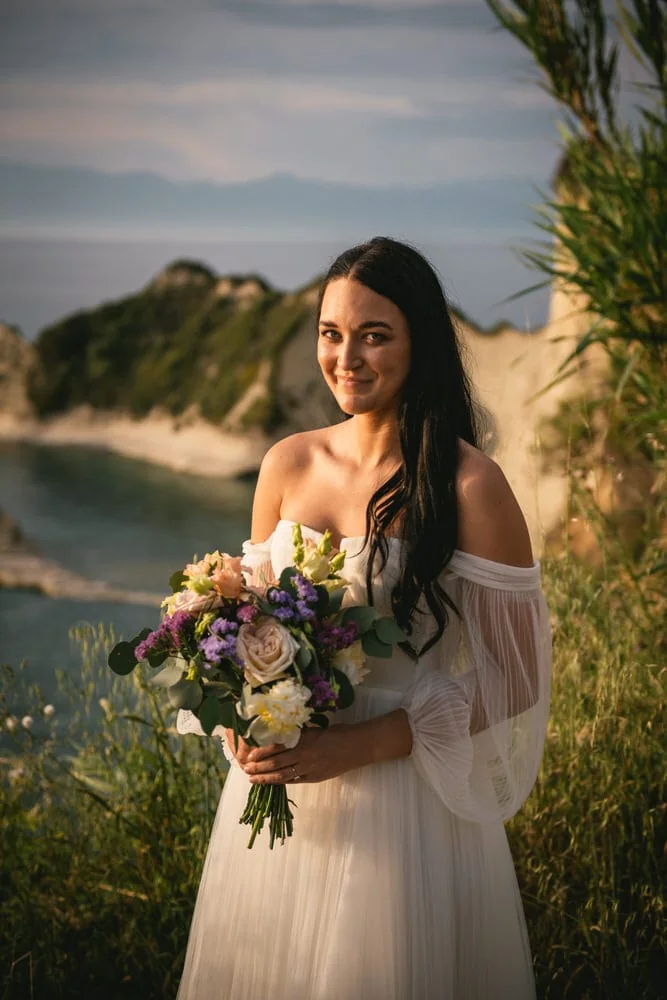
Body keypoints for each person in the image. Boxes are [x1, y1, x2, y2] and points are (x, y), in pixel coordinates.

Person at [175, 236, 552, 999]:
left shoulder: (469, 485)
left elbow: (517, 679)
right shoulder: (287, 463)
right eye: (331, 333)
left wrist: (369, 742)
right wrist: (235, 717)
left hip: (404, 812)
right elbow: (247, 620)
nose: (346, 358)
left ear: (420, 342)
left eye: (374, 335)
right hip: (280, 805)